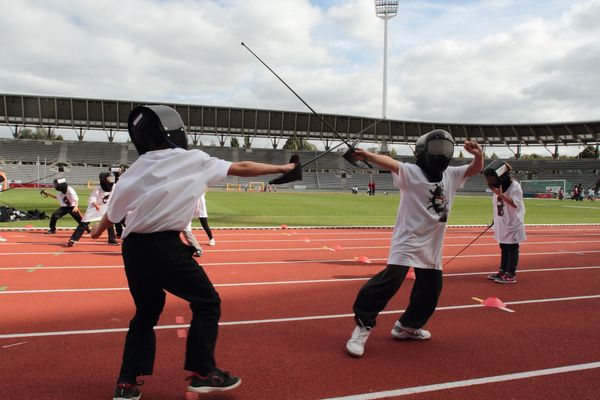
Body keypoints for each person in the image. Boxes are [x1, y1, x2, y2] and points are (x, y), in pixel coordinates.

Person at [90, 105, 295, 400]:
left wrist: (96, 232)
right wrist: (284, 168)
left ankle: (126, 382)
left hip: (134, 250)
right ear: (172, 130)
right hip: (165, 248)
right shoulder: (193, 160)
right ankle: (202, 372)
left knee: (146, 313)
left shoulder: (134, 171)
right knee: (207, 302)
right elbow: (242, 169)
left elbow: (113, 212)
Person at [345, 130, 483, 358]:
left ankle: (407, 326)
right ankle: (362, 325)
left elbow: (474, 169)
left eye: (444, 149)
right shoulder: (411, 172)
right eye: (436, 148)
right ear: (422, 150)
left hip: (432, 244)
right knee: (390, 281)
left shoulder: (450, 174)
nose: (441, 153)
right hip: (408, 239)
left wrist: (477, 155)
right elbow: (392, 163)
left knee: (431, 290)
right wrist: (368, 154)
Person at [483, 161, 526, 284]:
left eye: (492, 178)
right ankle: (502, 271)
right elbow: (497, 205)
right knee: (503, 246)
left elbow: (515, 203)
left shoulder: (515, 186)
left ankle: (510, 274)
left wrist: (500, 195)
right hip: (502, 222)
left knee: (512, 247)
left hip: (513, 222)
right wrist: (494, 219)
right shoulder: (499, 188)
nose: (490, 181)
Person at [67, 172, 118, 247]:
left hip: (105, 207)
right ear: (103, 180)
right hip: (94, 208)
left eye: (112, 179)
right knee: (84, 223)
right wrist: (95, 205)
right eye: (109, 179)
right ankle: (73, 239)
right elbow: (92, 198)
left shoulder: (115, 186)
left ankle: (112, 240)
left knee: (108, 222)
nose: (111, 180)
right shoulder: (98, 189)